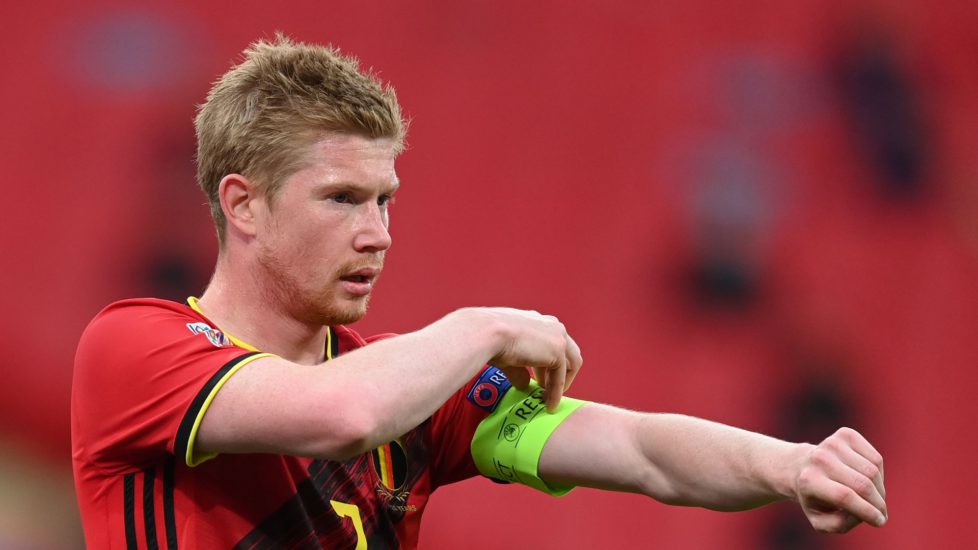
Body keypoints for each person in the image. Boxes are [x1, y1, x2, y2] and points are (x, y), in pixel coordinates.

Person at [71, 35, 887, 549]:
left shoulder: (416, 394)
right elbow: (341, 416)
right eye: (342, 199)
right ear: (244, 205)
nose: (377, 233)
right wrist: (484, 325)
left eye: (385, 200)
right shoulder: (135, 349)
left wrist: (790, 463)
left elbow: (638, 450)